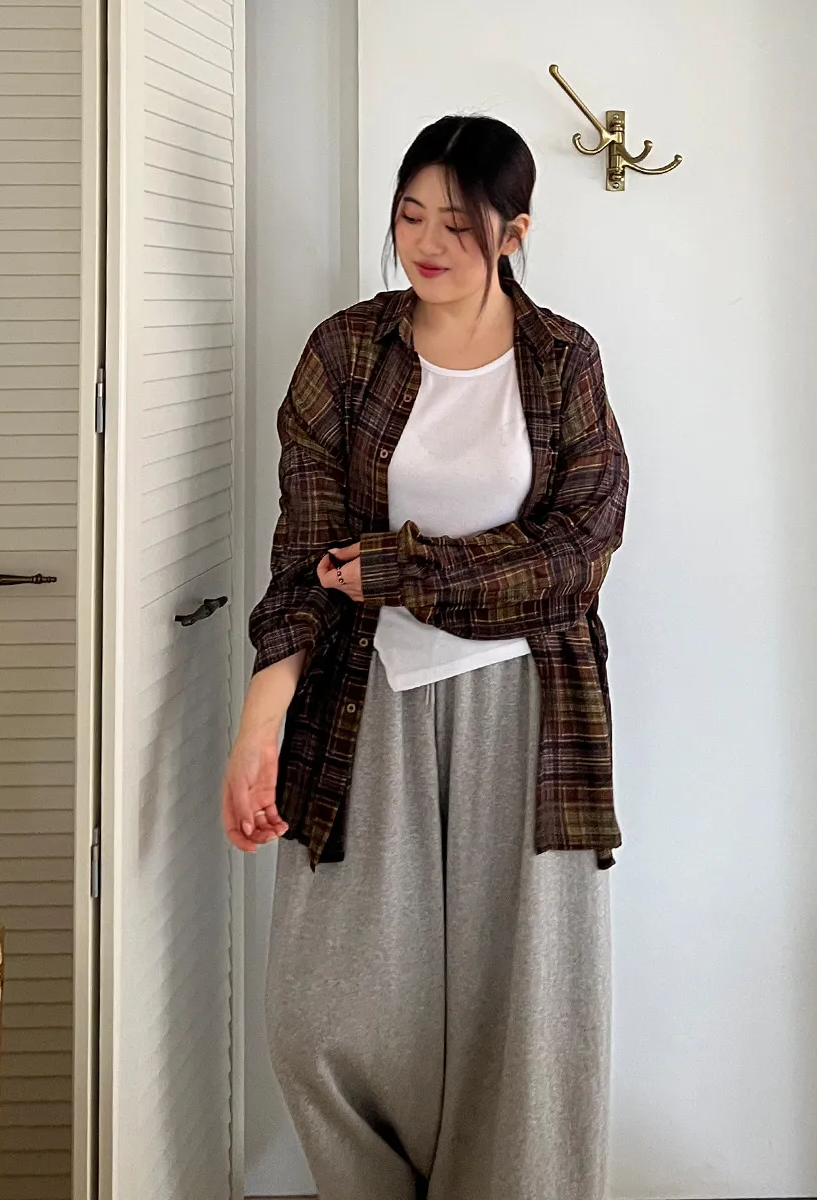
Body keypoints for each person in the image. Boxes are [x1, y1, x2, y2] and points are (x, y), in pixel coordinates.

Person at [222, 114, 629, 1200]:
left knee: (522, 1013)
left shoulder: (562, 360)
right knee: (325, 1011)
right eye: (411, 216)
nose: (428, 243)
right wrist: (258, 730)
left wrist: (405, 571)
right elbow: (306, 563)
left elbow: (580, 551)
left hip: (527, 708)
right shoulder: (345, 352)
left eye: (459, 223)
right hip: (366, 704)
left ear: (514, 233)